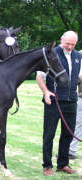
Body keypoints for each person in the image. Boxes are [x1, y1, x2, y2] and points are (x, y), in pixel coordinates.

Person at [36, 31, 82, 176]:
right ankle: (47, 165)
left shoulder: (78, 56)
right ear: (61, 40)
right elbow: (39, 76)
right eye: (67, 43)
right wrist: (45, 92)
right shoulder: (51, 54)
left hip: (71, 100)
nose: (69, 46)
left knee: (68, 134)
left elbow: (78, 77)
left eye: (73, 44)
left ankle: (63, 164)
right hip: (54, 100)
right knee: (49, 134)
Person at [69, 50, 82, 159]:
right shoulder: (78, 55)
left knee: (78, 124)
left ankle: (71, 151)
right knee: (78, 124)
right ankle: (71, 151)